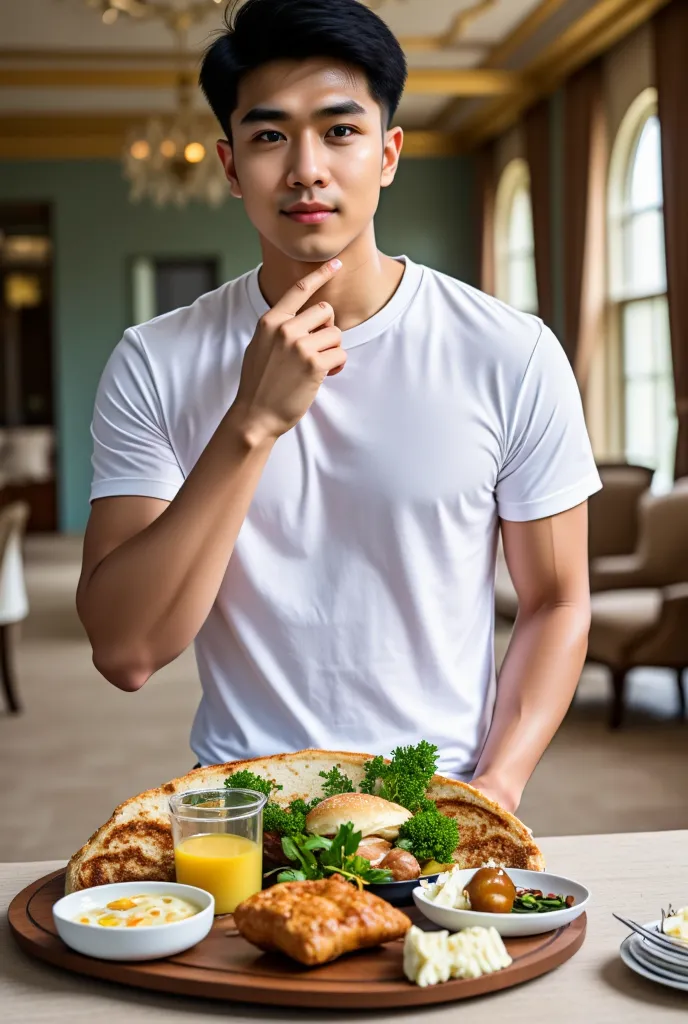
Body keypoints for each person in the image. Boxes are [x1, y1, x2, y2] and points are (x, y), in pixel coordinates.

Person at [77, 0, 601, 812]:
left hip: (438, 799)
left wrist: (497, 782)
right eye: (269, 135)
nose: (306, 168)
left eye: (341, 131)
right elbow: (127, 651)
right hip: (239, 808)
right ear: (228, 164)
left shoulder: (511, 352)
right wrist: (252, 422)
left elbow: (558, 599)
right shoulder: (154, 359)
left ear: (389, 153)